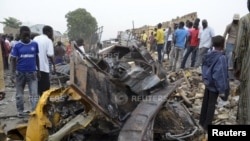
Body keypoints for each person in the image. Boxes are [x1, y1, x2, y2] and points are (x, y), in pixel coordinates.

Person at [199, 35, 229, 132]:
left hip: (207, 82)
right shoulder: (221, 58)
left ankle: (201, 122)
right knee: (211, 105)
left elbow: (203, 68)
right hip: (214, 86)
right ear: (222, 44)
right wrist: (222, 89)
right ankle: (207, 127)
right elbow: (220, 75)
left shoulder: (208, 54)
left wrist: (205, 79)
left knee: (205, 103)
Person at [10, 26, 40, 117]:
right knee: (19, 94)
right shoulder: (17, 45)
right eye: (24, 36)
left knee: (34, 94)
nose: (26, 38)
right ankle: (20, 112)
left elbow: (36, 57)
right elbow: (13, 59)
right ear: (20, 35)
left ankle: (34, 111)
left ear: (30, 35)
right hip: (20, 73)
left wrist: (38, 70)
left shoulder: (34, 44)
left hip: (32, 73)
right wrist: (12, 73)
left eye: (28, 35)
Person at [233, 0, 250, 125]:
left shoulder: (246, 20)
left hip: (248, 68)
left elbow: (241, 46)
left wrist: (237, 67)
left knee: (246, 100)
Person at [33, 25, 55, 96]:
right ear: (48, 32)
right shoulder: (48, 41)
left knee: (37, 87)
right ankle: (45, 104)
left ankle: (38, 103)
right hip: (44, 68)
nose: (52, 34)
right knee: (45, 88)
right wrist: (54, 65)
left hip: (34, 67)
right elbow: (50, 54)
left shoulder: (35, 38)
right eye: (52, 32)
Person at [223, 13, 240, 81]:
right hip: (229, 44)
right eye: (235, 20)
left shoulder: (240, 26)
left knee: (235, 60)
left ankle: (234, 76)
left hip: (237, 44)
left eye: (237, 20)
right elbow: (224, 35)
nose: (236, 21)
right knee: (229, 58)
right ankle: (229, 76)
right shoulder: (229, 26)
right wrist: (223, 45)